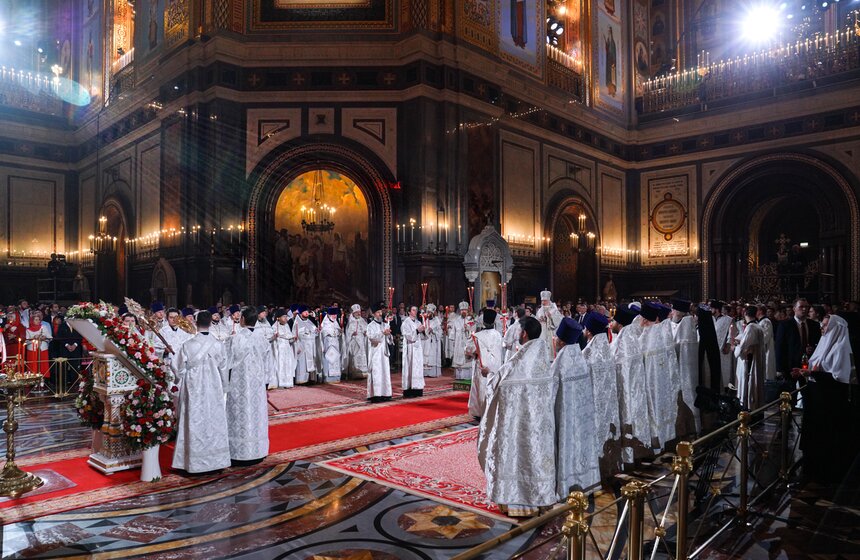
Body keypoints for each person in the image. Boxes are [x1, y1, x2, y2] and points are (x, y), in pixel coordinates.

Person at [478, 317, 581, 517]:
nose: (516, 333)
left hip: (518, 425)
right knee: (535, 458)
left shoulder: (519, 361)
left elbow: (498, 385)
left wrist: (488, 374)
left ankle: (517, 502)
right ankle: (539, 499)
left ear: (524, 333)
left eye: (518, 329)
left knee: (518, 457)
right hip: (539, 426)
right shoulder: (542, 357)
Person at [797, 314, 858, 482]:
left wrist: (813, 374)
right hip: (816, 399)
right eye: (822, 325)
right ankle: (811, 470)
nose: (822, 329)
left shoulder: (840, 348)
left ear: (835, 328)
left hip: (829, 402)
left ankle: (824, 474)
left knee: (826, 438)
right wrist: (808, 373)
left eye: (825, 326)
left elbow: (840, 378)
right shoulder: (824, 344)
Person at [172, 311, 231, 474]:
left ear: (195, 324)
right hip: (213, 388)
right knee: (213, 421)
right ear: (211, 324)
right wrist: (225, 387)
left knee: (194, 420)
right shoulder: (219, 344)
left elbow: (177, 368)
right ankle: (216, 461)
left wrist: (179, 377)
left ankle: (193, 463)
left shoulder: (188, 345)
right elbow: (224, 368)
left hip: (194, 388)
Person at [553, 317, 601, 492]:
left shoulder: (560, 363)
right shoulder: (580, 358)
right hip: (582, 417)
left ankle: (566, 483)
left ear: (561, 340)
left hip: (565, 417)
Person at [225, 307, 270, 465]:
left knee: (239, 415)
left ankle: (240, 453)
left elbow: (227, 362)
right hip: (257, 384)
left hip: (239, 384)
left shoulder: (236, 339)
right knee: (256, 414)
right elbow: (267, 361)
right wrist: (266, 381)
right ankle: (258, 450)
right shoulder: (262, 338)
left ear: (243, 319)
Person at [639, 302, 678, 449]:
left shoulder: (644, 337)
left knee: (653, 411)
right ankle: (665, 438)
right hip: (662, 381)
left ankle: (655, 442)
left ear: (644, 320)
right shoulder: (661, 332)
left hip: (649, 382)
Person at [581, 311, 620, 455]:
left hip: (594, 405)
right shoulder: (607, 349)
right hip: (609, 404)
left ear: (589, 331)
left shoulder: (587, 354)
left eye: (585, 328)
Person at [468, 308, 504, 418]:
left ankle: (481, 412)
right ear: (494, 322)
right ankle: (493, 411)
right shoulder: (498, 335)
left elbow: (469, 349)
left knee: (481, 388)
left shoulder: (478, 336)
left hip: (482, 367)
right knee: (494, 387)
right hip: (496, 366)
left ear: (483, 321)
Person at [671, 297, 700, 435]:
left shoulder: (685, 324)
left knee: (687, 394)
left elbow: (677, 346)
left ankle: (689, 426)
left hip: (684, 367)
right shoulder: (685, 322)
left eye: (673, 310)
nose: (671, 312)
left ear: (678, 312)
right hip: (685, 366)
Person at [733, 306, 765, 410]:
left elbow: (744, 347)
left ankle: (747, 408)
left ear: (745, 313)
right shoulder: (757, 326)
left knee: (748, 386)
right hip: (755, 359)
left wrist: (735, 347)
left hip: (749, 363)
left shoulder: (751, 327)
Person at [366, 305, 393, 402]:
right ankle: (376, 395)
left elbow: (390, 341)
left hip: (384, 353)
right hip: (375, 353)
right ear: (373, 314)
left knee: (385, 372)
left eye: (381, 312)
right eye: (378, 312)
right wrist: (383, 333)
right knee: (377, 372)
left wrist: (389, 334)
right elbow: (372, 339)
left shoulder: (385, 324)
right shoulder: (370, 326)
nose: (380, 314)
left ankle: (386, 394)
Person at [400, 305, 426, 398]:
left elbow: (424, 337)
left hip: (418, 349)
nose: (415, 312)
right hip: (410, 349)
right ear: (409, 312)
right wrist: (417, 331)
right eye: (413, 310)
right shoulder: (405, 323)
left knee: (418, 368)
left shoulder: (419, 322)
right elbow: (408, 336)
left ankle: (418, 389)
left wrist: (423, 331)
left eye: (416, 310)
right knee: (410, 367)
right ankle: (409, 389)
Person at [269, 309, 297, 388]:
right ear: (278, 318)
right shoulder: (274, 327)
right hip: (279, 350)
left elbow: (289, 338)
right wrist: (274, 337)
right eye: (284, 317)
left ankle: (288, 383)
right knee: (280, 365)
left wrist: (293, 339)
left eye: (286, 317)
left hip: (287, 349)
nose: (285, 318)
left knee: (288, 365)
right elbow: (271, 339)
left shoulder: (287, 326)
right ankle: (281, 383)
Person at [293, 305, 319, 384]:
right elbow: (295, 335)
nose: (307, 313)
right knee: (303, 363)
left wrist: (317, 331)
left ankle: (311, 379)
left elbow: (315, 332)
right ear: (301, 313)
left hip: (311, 346)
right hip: (302, 347)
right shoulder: (297, 323)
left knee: (311, 361)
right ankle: (302, 380)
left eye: (307, 311)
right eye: (305, 312)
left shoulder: (310, 322)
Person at [451, 302, 476, 380]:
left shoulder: (471, 320)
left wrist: (468, 329)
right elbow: (452, 333)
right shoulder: (456, 320)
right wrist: (454, 342)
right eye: (462, 310)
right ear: (460, 311)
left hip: (467, 342)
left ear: (467, 311)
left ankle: (468, 377)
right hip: (458, 343)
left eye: (465, 310)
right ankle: (459, 376)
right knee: (459, 359)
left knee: (467, 360)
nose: (463, 312)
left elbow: (474, 332)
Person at [345, 304, 369, 379]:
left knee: (363, 356)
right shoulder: (350, 321)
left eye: (359, 312)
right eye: (357, 312)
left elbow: (367, 329)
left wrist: (366, 333)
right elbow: (347, 333)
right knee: (355, 356)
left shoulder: (363, 321)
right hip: (354, 342)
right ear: (353, 313)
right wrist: (352, 334)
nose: (359, 313)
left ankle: (363, 372)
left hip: (362, 341)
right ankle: (355, 373)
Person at [25, 312, 52, 378]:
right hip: (32, 350)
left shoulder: (44, 327)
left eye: (39, 320)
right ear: (32, 320)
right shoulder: (28, 330)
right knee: (33, 366)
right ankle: (33, 382)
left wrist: (44, 338)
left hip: (42, 349)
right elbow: (26, 341)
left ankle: (42, 382)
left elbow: (50, 338)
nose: (38, 321)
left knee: (43, 366)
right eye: (36, 320)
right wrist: (34, 338)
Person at [536, 290, 563, 356]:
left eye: (545, 300)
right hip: (542, 332)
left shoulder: (554, 310)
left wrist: (551, 316)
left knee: (551, 350)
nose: (543, 302)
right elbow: (537, 320)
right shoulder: (540, 310)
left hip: (551, 332)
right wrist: (540, 319)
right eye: (542, 300)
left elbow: (559, 321)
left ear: (548, 300)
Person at [320, 308, 343, 383]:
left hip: (335, 343)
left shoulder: (336, 323)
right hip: (328, 344)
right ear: (328, 315)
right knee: (329, 359)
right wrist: (328, 333)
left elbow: (339, 333)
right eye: (333, 315)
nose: (334, 316)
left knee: (336, 359)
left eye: (335, 315)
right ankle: (328, 378)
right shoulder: (325, 323)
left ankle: (336, 377)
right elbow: (322, 332)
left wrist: (340, 332)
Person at [421, 304, 443, 378]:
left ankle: (433, 373)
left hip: (433, 341)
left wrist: (433, 331)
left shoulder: (437, 321)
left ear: (433, 313)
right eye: (428, 312)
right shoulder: (425, 320)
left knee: (432, 356)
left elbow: (440, 332)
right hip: (426, 341)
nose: (429, 314)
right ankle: (426, 372)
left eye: (430, 312)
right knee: (426, 356)